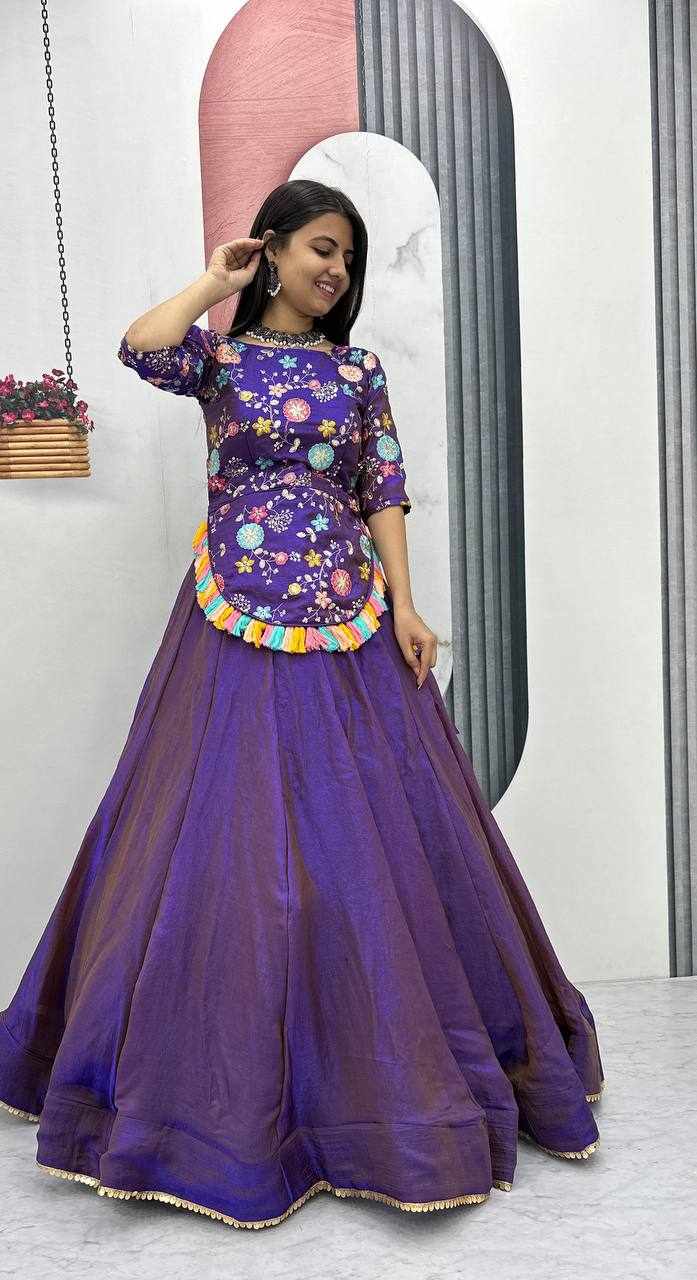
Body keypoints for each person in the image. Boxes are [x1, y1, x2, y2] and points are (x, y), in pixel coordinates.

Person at [0, 179, 604, 1231]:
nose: (336, 270)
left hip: (346, 613)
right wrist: (214, 280)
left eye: (348, 258)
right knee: (216, 837)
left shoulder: (357, 371)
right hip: (231, 615)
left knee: (370, 841)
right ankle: (206, 1092)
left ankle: (374, 1078)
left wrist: (405, 604)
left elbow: (382, 488)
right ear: (273, 250)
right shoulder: (220, 360)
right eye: (322, 248)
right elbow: (140, 346)